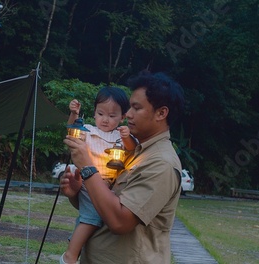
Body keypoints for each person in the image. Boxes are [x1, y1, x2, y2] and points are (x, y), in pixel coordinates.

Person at [61, 71, 185, 263]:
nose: (127, 114)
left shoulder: (161, 163)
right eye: (129, 108)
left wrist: (87, 167)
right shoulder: (134, 151)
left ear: (161, 113)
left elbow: (120, 222)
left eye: (136, 108)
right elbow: (106, 203)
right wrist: (76, 194)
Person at [61, 87, 137, 264]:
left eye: (112, 116)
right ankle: (69, 256)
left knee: (88, 218)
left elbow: (133, 149)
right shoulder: (88, 130)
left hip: (109, 185)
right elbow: (71, 130)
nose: (105, 119)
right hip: (88, 181)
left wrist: (126, 137)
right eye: (101, 113)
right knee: (91, 219)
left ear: (122, 117)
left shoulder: (120, 136)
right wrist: (73, 114)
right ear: (94, 112)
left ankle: (75, 249)